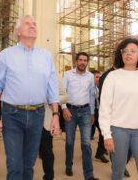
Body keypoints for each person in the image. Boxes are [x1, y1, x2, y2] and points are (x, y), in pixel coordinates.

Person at [0, 15, 60, 180]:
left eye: (34, 23)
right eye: (27, 23)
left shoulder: (46, 56)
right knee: (15, 165)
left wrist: (55, 115)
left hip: (38, 115)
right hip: (12, 115)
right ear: (18, 31)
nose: (32, 25)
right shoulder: (6, 55)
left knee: (29, 164)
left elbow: (52, 88)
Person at [99, 38, 138, 180]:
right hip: (118, 130)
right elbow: (105, 108)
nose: (128, 53)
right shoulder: (113, 77)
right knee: (118, 172)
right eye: (124, 51)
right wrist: (107, 135)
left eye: (133, 51)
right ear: (121, 55)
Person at [62, 52, 99, 180]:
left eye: (85, 60)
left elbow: (92, 95)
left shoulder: (90, 77)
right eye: (80, 60)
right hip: (70, 111)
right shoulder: (67, 75)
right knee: (69, 142)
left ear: (87, 63)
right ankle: (68, 165)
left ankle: (89, 174)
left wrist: (92, 112)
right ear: (76, 62)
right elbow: (62, 93)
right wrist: (64, 108)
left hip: (85, 112)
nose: (83, 62)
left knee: (86, 144)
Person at [98, 55, 131, 177]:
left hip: (128, 115)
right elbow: (103, 98)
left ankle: (121, 165)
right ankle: (118, 167)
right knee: (115, 146)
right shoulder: (107, 75)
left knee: (130, 147)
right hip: (113, 116)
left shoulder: (126, 74)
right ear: (113, 60)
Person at [39, 80, 68, 180]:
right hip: (26, 119)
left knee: (47, 152)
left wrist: (51, 99)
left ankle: (49, 177)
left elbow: (64, 97)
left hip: (46, 121)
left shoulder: (53, 74)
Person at [91, 70, 109, 164]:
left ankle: (100, 152)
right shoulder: (89, 88)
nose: (99, 79)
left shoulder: (101, 87)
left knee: (103, 132)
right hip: (90, 113)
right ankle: (86, 152)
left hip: (99, 112)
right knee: (87, 135)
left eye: (100, 77)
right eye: (97, 77)